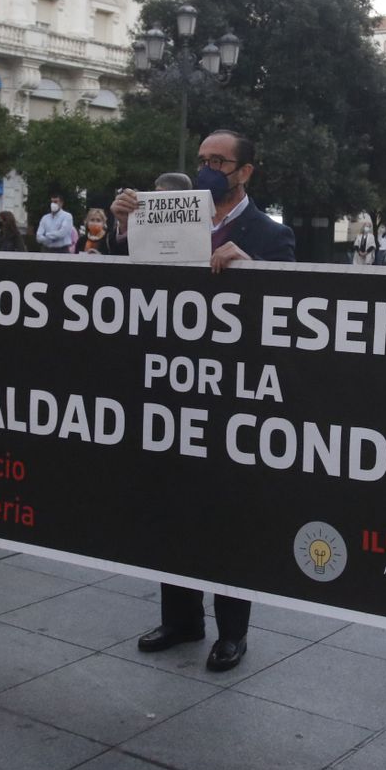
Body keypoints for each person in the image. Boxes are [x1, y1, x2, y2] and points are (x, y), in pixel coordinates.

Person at [111, 130, 295, 672]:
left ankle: (231, 630)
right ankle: (180, 617)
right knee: (171, 503)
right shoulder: (171, 215)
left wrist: (252, 269)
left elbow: (292, 310)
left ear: (245, 172)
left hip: (233, 396)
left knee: (228, 514)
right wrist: (126, 226)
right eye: (202, 160)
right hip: (171, 386)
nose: (209, 168)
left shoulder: (268, 233)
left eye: (220, 161)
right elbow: (135, 286)